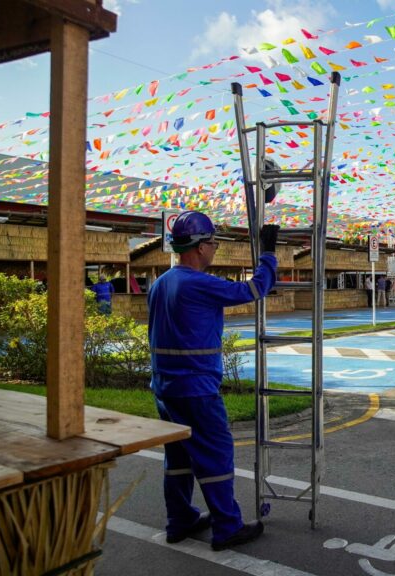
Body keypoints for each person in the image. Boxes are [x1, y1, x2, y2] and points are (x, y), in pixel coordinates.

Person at [147, 210, 279, 551]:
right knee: (215, 455)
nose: (216, 248)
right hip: (196, 389)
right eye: (214, 242)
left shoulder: (162, 283)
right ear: (200, 246)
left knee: (177, 458)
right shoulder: (197, 283)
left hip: (165, 388)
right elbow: (254, 288)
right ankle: (227, 526)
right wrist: (267, 253)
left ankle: (180, 520)